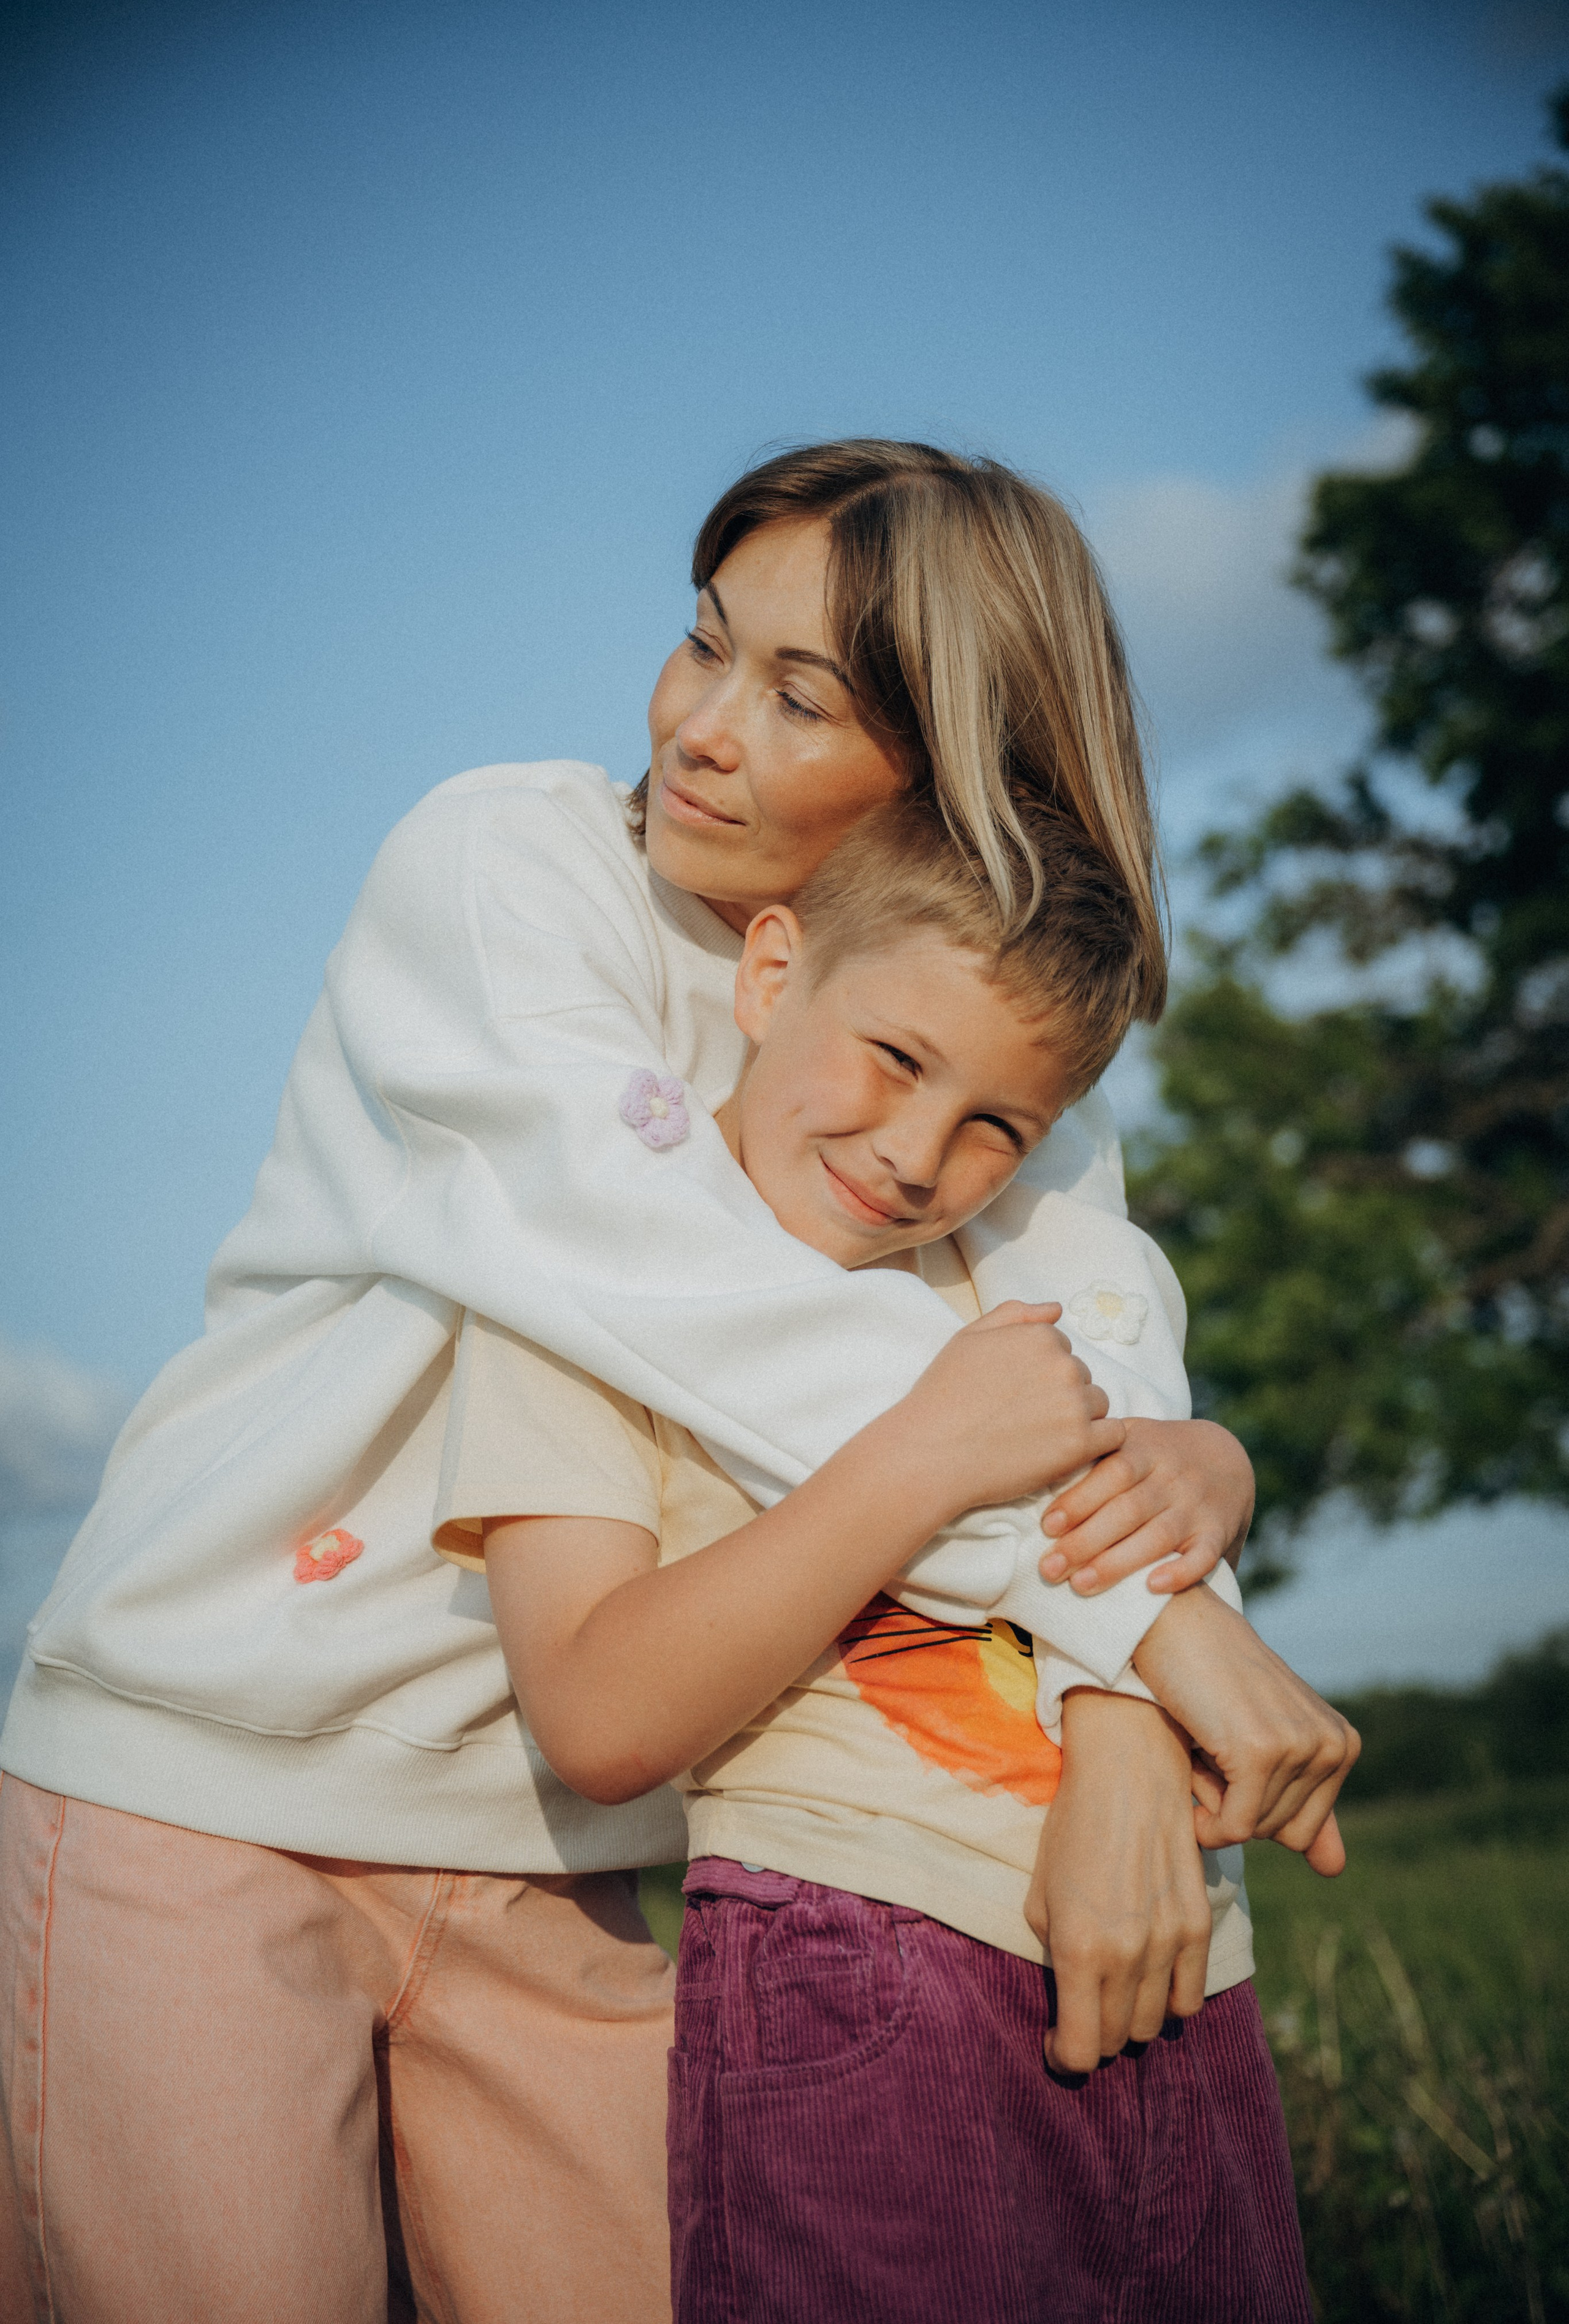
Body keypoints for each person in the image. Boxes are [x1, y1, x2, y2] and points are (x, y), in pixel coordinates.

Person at [0, 442, 1351, 2324]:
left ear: (951, 768)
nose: (705, 730)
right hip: (211, 1772)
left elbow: (1089, 1380)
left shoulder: (982, 1043)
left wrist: (1131, 1688)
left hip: (582, 1853)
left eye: (800, 698)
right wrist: (1149, 1628)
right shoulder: (509, 866)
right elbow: (666, 1276)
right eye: (707, 645)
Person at [460, 795, 1324, 2323]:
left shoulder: (1034, 1277)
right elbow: (597, 1718)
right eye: (896, 1059)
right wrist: (926, 1452)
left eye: (999, 1124)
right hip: (855, 1967)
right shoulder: (577, 1286)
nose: (919, 1155)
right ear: (771, 970)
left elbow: (1127, 1524)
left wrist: (1208, 1469)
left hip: (1186, 1961)